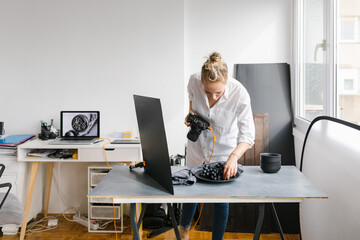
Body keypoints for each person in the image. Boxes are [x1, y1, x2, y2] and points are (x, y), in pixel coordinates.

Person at [179, 52, 255, 240]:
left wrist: (234, 157)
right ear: (202, 82)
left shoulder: (240, 93)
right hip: (197, 149)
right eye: (207, 92)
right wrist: (191, 113)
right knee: (190, 190)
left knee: (221, 200)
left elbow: (248, 135)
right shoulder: (194, 81)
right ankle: (184, 230)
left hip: (224, 153)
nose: (212, 96)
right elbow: (191, 96)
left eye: (218, 93)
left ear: (227, 80)